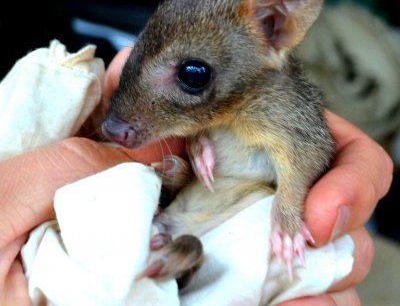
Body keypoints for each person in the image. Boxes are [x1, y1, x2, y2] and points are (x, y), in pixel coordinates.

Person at [0, 47, 393, 306]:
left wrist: (289, 209)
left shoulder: (270, 106)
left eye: (191, 73)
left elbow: (306, 155)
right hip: (172, 212)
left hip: (226, 216)